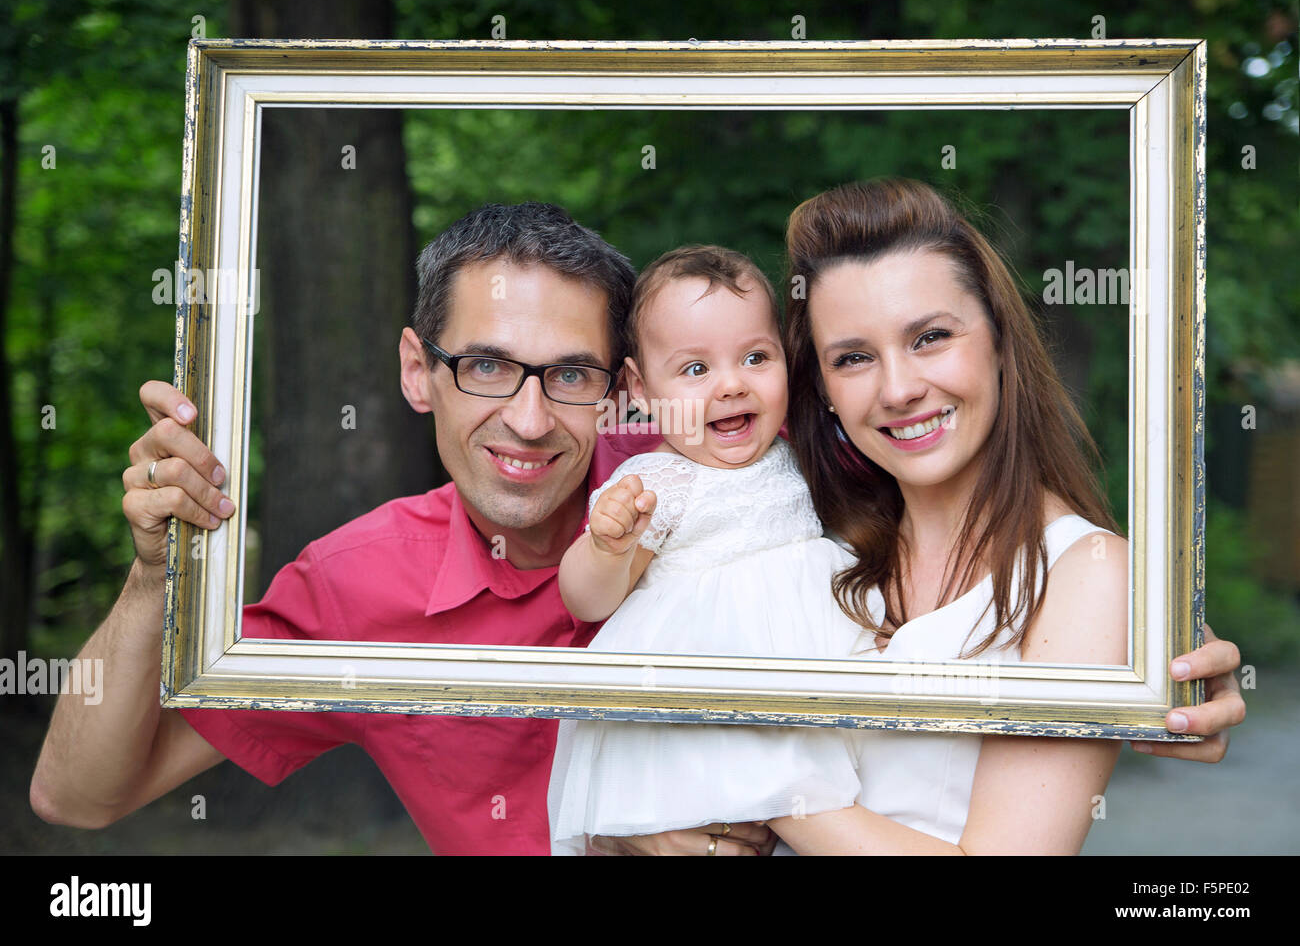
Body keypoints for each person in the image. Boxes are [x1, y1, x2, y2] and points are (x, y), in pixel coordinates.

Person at [28, 199, 1245, 856]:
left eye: (566, 375)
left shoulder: (745, 477)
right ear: (416, 369)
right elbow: (79, 799)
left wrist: (1154, 682)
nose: (524, 418)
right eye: (483, 366)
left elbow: (969, 556)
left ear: (619, 390)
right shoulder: (358, 582)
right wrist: (151, 580)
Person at [764, 177, 1202, 852]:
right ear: (822, 390)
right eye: (853, 357)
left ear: (998, 340)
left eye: (930, 337)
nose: (900, 388)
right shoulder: (824, 555)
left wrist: (748, 776)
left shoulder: (1088, 573)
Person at [549, 246, 875, 855]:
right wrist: (606, 547)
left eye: (756, 357)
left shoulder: (798, 458)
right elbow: (588, 601)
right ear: (642, 389)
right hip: (706, 707)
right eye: (695, 369)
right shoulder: (657, 484)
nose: (731, 384)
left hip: (803, 685)